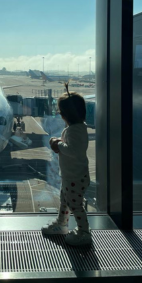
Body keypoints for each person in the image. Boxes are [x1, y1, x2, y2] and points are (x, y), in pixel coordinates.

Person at [41, 82, 92, 246]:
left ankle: (84, 232)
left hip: (74, 178)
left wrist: (58, 145)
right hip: (73, 176)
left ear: (65, 115)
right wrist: (60, 142)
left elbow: (74, 150)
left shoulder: (75, 130)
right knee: (65, 200)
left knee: (75, 205)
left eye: (60, 112)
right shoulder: (79, 127)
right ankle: (62, 224)